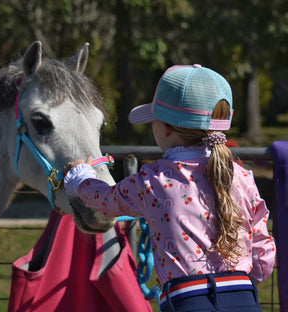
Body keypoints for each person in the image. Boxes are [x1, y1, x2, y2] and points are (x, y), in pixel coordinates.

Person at [64, 64, 276, 312]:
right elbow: (262, 248)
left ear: (163, 128)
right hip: (243, 296)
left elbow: (107, 201)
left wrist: (81, 178)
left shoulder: (154, 180)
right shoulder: (241, 176)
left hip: (187, 301)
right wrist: (250, 274)